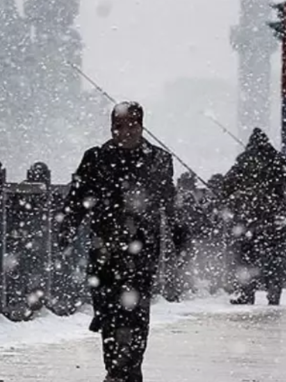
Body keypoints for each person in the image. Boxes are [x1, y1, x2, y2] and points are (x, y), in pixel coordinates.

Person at [57, 101, 186, 382]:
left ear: (141, 126)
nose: (124, 132)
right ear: (111, 127)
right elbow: (78, 199)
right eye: (118, 126)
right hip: (104, 248)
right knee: (108, 309)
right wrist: (66, 229)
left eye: (131, 126)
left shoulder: (158, 159)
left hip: (142, 248)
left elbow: (169, 200)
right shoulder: (95, 158)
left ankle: (126, 369)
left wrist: (178, 230)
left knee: (136, 312)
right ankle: (117, 365)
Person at [222, 127, 286, 305]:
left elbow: (227, 185)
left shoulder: (244, 161)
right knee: (275, 257)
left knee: (246, 256)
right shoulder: (279, 160)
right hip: (274, 218)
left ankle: (247, 293)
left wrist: (238, 195)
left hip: (249, 218)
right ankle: (274, 293)